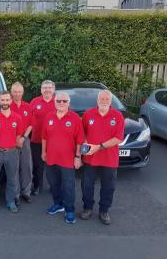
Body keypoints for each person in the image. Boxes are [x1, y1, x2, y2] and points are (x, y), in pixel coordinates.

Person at [80, 90, 125, 225]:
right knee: (87, 185)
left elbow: (118, 138)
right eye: (102, 99)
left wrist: (98, 147)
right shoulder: (88, 114)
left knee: (108, 186)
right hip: (90, 158)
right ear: (97, 100)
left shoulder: (117, 116)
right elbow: (83, 134)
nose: (104, 101)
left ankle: (104, 211)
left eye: (107, 99)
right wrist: (84, 150)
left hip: (109, 159)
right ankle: (87, 208)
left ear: (110, 101)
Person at [42, 92, 84, 224]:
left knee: (68, 186)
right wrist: (44, 152)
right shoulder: (49, 116)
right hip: (51, 158)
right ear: (55, 102)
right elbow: (44, 136)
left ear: (69, 103)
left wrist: (78, 156)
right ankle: (58, 204)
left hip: (67, 160)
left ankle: (69, 210)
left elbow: (80, 140)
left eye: (64, 101)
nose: (61, 103)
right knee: (54, 184)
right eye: (59, 101)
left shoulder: (75, 118)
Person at [0, 91, 23, 213]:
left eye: (7, 100)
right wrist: (0, 144)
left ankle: (11, 201)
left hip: (12, 152)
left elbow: (18, 136)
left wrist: (9, 145)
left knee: (12, 179)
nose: (5, 102)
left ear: (11, 101)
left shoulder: (17, 118)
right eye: (3, 100)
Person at [29, 80, 56, 195]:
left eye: (49, 88)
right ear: (41, 89)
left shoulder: (58, 101)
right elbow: (28, 119)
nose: (47, 90)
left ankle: (54, 186)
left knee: (53, 165)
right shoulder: (35, 101)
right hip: (36, 139)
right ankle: (36, 186)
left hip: (54, 141)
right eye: (44, 88)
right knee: (37, 165)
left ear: (53, 89)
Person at [10, 82, 33, 205]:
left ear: (22, 92)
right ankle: (16, 194)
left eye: (19, 92)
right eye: (15, 91)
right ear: (11, 92)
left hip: (24, 140)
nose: (17, 94)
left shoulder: (28, 106)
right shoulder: (7, 106)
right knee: (14, 168)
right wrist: (14, 139)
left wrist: (23, 138)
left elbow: (30, 124)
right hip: (11, 141)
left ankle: (26, 192)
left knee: (27, 167)